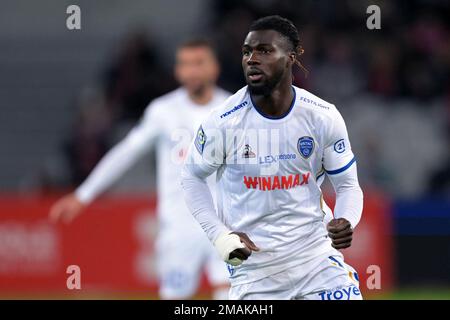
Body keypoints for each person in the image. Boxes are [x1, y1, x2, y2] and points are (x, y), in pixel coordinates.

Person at [181, 16, 364, 300]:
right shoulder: (223, 122)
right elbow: (191, 177)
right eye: (246, 52)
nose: (252, 59)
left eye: (264, 51)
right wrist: (219, 236)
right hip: (255, 274)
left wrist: (346, 219)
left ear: (290, 58)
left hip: (317, 263)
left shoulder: (322, 116)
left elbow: (347, 184)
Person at [49, 39, 231, 300]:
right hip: (178, 228)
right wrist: (83, 195)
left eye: (199, 63)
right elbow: (126, 152)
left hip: (225, 224)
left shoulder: (234, 110)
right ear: (177, 71)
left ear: (214, 67)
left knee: (231, 298)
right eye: (185, 64)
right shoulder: (162, 111)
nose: (191, 71)